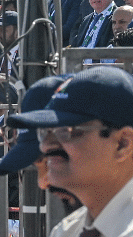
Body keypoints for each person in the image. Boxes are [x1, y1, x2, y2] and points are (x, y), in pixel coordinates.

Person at [9, 67, 133, 237]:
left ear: (122, 143)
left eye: (67, 131)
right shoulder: (68, 230)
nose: (46, 146)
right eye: (45, 132)